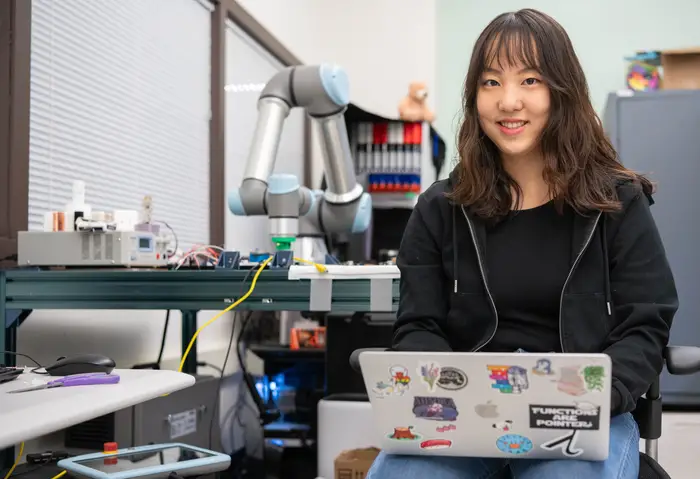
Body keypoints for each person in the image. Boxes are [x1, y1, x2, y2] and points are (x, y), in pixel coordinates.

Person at [367, 8, 678, 479]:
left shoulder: (617, 201)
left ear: (562, 91)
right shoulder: (439, 207)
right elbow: (419, 326)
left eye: (530, 80)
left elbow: (645, 325)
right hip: (462, 420)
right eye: (491, 82)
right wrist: (448, 390)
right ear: (474, 97)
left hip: (577, 417)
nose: (508, 101)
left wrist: (596, 396)